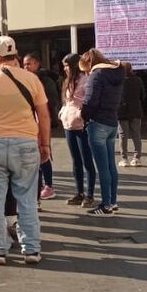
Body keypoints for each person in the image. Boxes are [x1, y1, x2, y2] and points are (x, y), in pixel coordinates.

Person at [0, 36, 51, 265]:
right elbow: (43, 115)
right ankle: (31, 249)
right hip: (25, 143)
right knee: (26, 199)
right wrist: (45, 144)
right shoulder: (32, 79)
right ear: (16, 55)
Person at [80, 49, 125, 215]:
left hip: (97, 123)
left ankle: (105, 205)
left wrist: (83, 115)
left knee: (102, 167)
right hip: (112, 122)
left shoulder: (96, 75)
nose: (85, 72)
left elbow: (90, 101)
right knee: (111, 165)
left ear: (89, 64)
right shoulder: (117, 74)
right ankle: (112, 201)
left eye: (85, 69)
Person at [59, 53, 96, 208]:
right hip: (68, 124)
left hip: (81, 125)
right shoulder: (68, 81)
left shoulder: (86, 80)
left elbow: (89, 101)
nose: (65, 69)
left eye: (67, 66)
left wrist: (82, 115)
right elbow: (67, 101)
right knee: (76, 161)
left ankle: (90, 194)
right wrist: (62, 112)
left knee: (87, 160)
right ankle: (79, 192)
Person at [23, 52, 61, 200]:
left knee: (44, 154)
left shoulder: (45, 81)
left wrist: (48, 121)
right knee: (33, 157)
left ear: (37, 64)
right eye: (24, 64)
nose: (26, 67)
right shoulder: (24, 79)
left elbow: (51, 103)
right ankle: (37, 186)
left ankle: (49, 186)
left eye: (29, 63)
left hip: (41, 122)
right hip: (29, 123)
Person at [116, 61, 144, 167]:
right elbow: (143, 95)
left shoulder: (118, 81)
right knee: (136, 134)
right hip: (136, 110)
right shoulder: (138, 80)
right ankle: (137, 158)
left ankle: (124, 159)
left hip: (122, 111)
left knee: (123, 135)